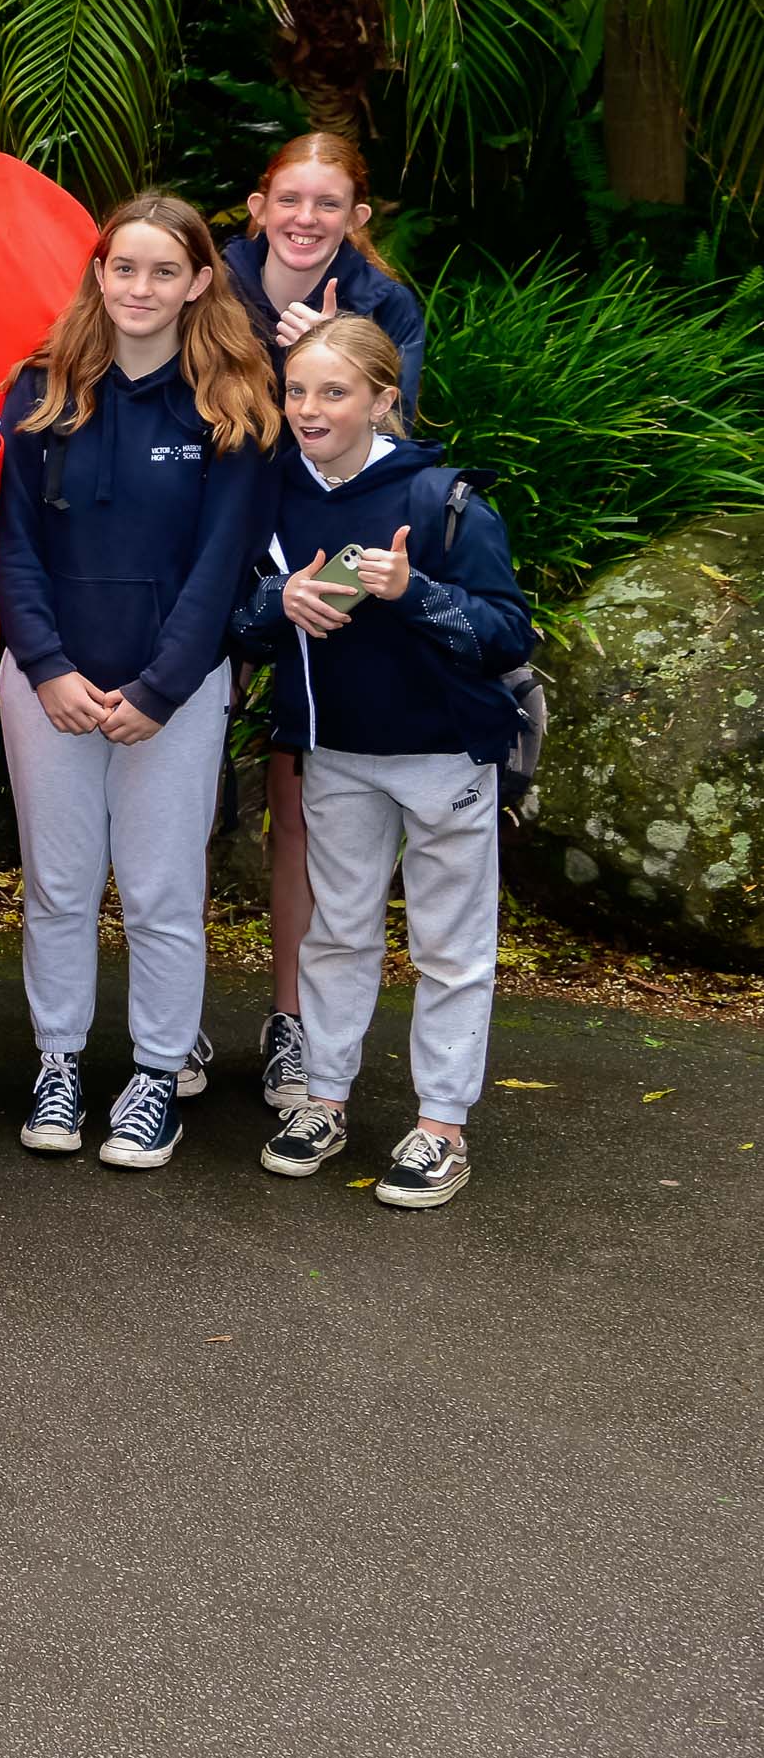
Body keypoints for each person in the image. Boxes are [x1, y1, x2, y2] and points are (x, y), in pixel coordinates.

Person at [0, 195, 279, 1169]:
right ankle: (60, 1065)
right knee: (60, 889)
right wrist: (48, 669)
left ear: (201, 279)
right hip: (51, 689)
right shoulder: (43, 389)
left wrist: (161, 688)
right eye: (125, 269)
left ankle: (155, 1075)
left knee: (161, 891)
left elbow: (220, 567)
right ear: (99, 273)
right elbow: (16, 547)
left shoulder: (231, 402)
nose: (141, 289)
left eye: (164, 271)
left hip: (177, 693)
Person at [233, 318, 530, 1208]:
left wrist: (414, 593)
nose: (310, 409)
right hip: (334, 755)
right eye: (296, 392)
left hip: (444, 757)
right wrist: (278, 601)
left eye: (334, 392)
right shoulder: (273, 491)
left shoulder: (444, 498)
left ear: (381, 399)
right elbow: (237, 620)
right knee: (337, 933)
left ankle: (441, 1125)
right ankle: (324, 1100)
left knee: (450, 947)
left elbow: (505, 629)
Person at [223, 130, 428, 1107]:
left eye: (329, 203)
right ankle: (163, 1030)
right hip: (208, 552)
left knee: (302, 796)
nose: (307, 219)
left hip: (326, 556)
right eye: (289, 199)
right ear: (257, 207)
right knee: (162, 785)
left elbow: (393, 447)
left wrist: (320, 353)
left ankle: (293, 1021)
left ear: (357, 218)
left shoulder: (383, 304)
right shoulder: (206, 282)